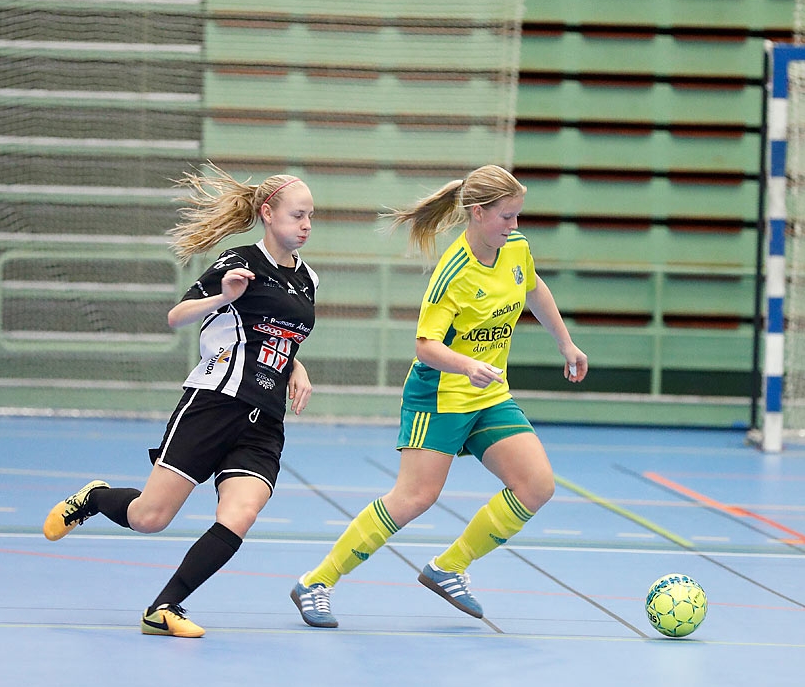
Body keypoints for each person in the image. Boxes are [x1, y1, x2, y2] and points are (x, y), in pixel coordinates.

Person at [288, 164, 587, 628]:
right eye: (506, 217)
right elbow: (425, 345)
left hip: (487, 396)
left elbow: (533, 288)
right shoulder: (453, 273)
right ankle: (317, 582)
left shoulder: (516, 250)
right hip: (440, 395)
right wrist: (468, 365)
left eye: (518, 216)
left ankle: (449, 567)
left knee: (536, 486)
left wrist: (565, 343)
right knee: (414, 498)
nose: (515, 226)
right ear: (477, 212)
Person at [40, 166, 318, 638]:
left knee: (240, 514)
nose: (306, 225)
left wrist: (297, 367)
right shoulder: (238, 262)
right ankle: (95, 498)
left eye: (311, 216)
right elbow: (176, 316)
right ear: (267, 214)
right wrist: (223, 296)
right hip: (214, 403)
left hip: (264, 419)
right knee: (150, 518)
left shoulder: (309, 279)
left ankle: (164, 606)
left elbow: (282, 335)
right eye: (297, 215)